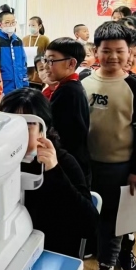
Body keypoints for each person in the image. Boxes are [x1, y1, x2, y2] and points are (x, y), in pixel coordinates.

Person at [0, 88, 98, 270]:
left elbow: (89, 224)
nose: (14, 135)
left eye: (26, 126)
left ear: (43, 129)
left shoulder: (63, 163)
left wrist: (54, 172)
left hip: (50, 259)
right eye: (8, 125)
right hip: (2, 257)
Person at [81, 22, 136, 270]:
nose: (113, 56)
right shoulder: (83, 82)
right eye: (106, 50)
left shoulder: (134, 87)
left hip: (120, 167)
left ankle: (106, 266)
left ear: (128, 52)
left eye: (119, 51)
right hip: (87, 165)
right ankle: (89, 250)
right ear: (95, 51)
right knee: (89, 212)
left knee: (114, 219)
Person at [43, 38, 91, 183]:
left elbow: (63, 134)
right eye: (45, 60)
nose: (46, 66)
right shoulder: (70, 87)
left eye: (51, 60)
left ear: (71, 63)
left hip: (70, 164)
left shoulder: (68, 91)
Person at [0, 11, 28, 95]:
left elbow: (23, 63)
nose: (11, 25)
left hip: (19, 84)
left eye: (13, 22)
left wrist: (25, 84)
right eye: (7, 22)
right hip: (4, 86)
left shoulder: (18, 41)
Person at [22, 16, 50, 89]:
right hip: (26, 74)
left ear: (39, 26)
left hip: (38, 75)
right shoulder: (24, 39)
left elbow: (48, 55)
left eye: (33, 25)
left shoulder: (44, 39)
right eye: (29, 25)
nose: (31, 27)